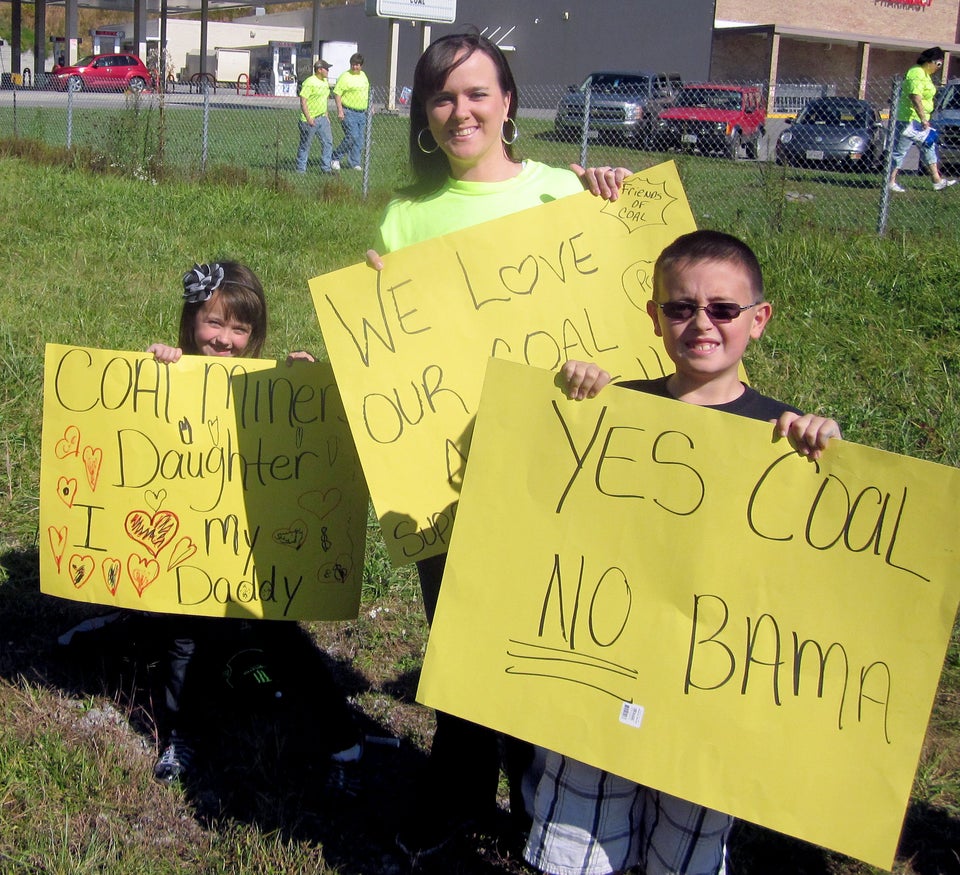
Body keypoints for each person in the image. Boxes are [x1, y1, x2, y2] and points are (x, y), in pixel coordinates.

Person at [366, 30, 628, 858]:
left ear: (509, 102)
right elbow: (400, 352)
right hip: (449, 467)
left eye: (477, 93)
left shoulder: (563, 192)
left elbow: (626, 315)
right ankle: (461, 791)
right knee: (459, 635)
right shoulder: (404, 216)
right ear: (423, 114)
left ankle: (543, 804)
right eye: (442, 97)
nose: (461, 111)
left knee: (542, 636)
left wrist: (614, 205)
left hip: (556, 462)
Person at [524, 229, 842, 875]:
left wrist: (828, 448)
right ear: (655, 316)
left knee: (688, 849)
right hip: (598, 670)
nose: (702, 323)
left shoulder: (785, 436)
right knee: (577, 842)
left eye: (723, 309)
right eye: (681, 307)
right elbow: (541, 495)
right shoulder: (617, 407)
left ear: (758, 320)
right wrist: (573, 393)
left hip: (709, 695)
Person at [140, 261, 363, 785]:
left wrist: (301, 380)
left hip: (258, 546)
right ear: (190, 321)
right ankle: (180, 736)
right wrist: (158, 364)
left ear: (254, 335)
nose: (224, 340)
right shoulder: (172, 373)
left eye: (240, 329)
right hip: (189, 548)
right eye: (213, 324)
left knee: (283, 636)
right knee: (183, 638)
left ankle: (339, 733)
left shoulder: (268, 386)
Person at [888, 46, 956, 193]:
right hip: (909, 119)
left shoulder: (925, 75)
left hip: (920, 121)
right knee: (900, 151)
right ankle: (890, 181)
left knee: (928, 147)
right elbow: (915, 96)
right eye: (939, 64)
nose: (939, 68)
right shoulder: (916, 72)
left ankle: (937, 180)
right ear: (930, 61)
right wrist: (923, 118)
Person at [331, 53, 370, 171]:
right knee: (352, 136)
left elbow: (366, 93)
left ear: (361, 66)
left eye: (357, 65)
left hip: (362, 113)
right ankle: (335, 158)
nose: (355, 67)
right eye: (353, 64)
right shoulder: (345, 77)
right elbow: (337, 93)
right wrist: (340, 110)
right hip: (348, 111)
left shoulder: (363, 76)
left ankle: (354, 162)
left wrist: (370, 106)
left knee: (359, 140)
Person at [296, 59, 335, 175]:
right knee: (305, 145)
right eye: (326, 69)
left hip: (322, 118)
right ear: (319, 70)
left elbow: (324, 100)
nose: (328, 71)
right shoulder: (309, 82)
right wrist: (308, 118)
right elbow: (303, 101)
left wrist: (326, 115)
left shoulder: (324, 82)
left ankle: (326, 168)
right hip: (309, 120)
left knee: (328, 142)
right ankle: (300, 170)